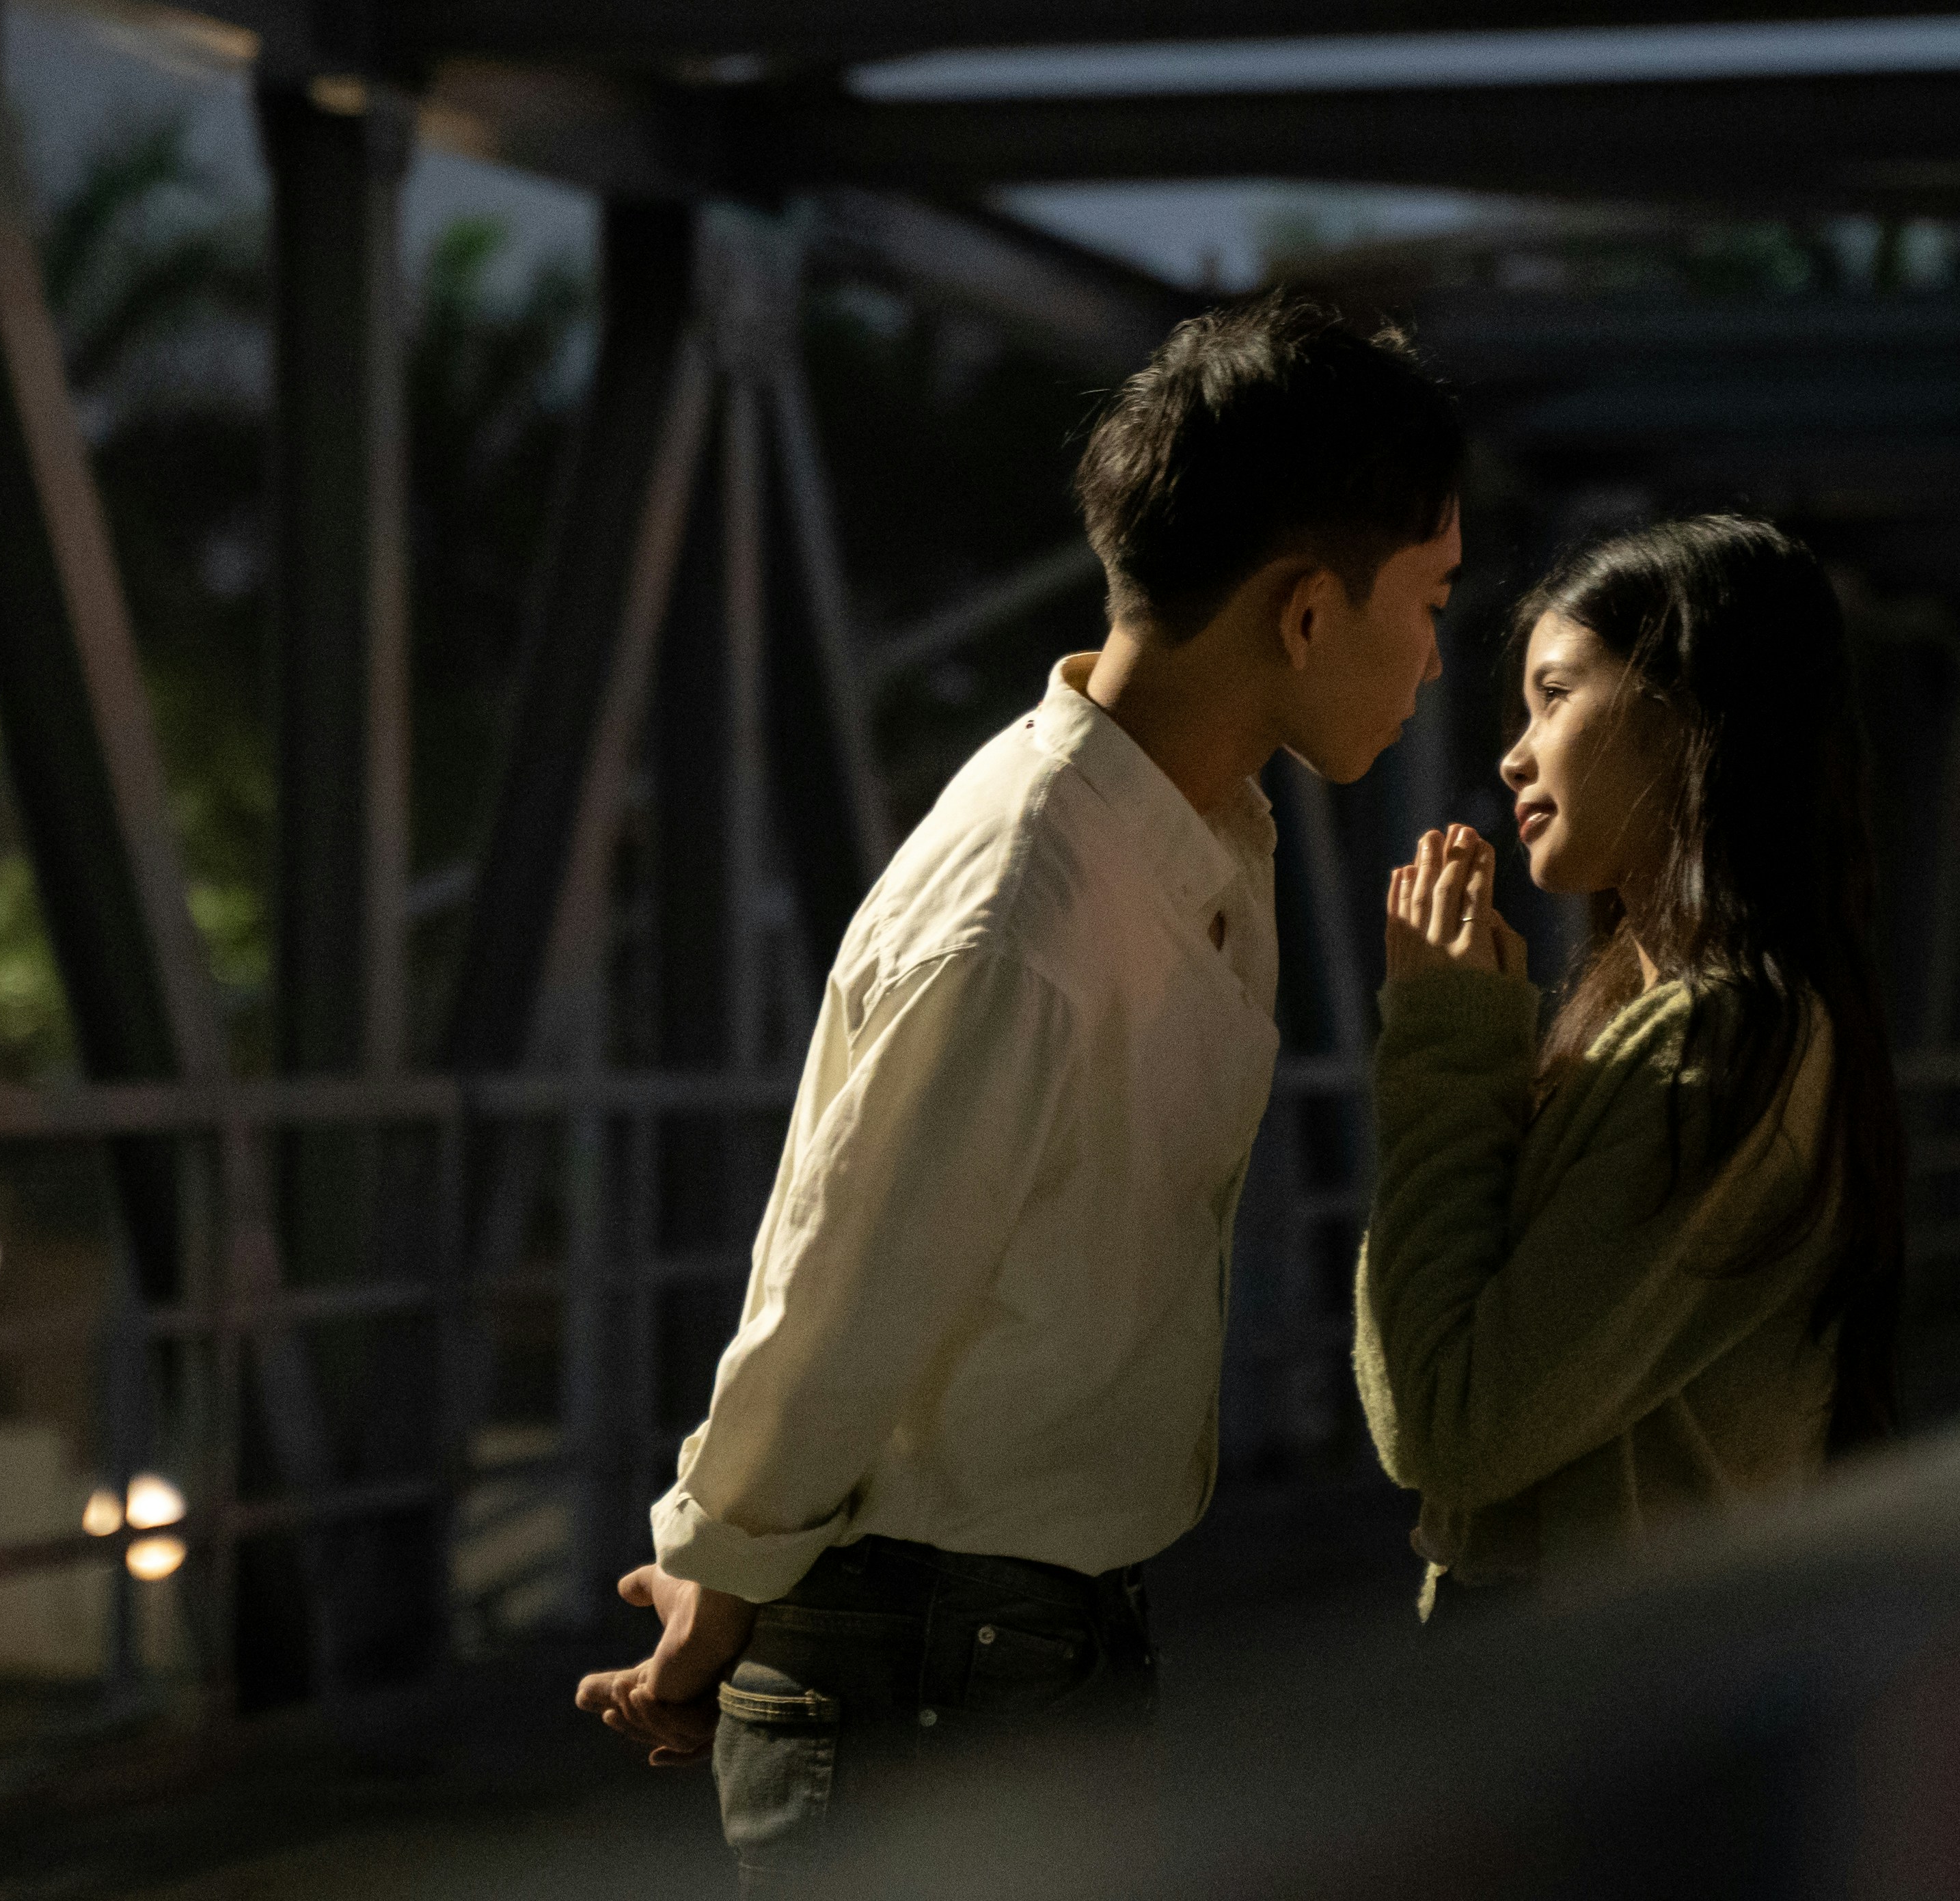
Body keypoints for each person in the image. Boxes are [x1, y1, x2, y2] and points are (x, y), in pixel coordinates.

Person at [574, 295, 1466, 1888]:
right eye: (1432, 597)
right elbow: (849, 1274)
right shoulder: (1028, 905)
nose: (1438, 655)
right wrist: (715, 1570)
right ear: (1310, 613)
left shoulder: (1185, 838)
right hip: (925, 1660)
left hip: (998, 1641)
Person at [1353, 514, 1906, 1622]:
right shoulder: (1693, 1022)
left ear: (1691, 714)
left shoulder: (1726, 1035)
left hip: (1600, 1696)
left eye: (1554, 696)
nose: (1514, 752)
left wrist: (1449, 1044)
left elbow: (1450, 1428)